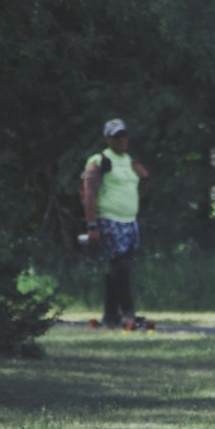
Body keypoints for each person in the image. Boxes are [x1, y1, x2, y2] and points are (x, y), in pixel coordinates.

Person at [82, 118, 150, 328]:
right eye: (117, 136)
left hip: (129, 221)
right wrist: (92, 225)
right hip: (109, 220)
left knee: (120, 266)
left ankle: (110, 315)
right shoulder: (100, 160)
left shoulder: (129, 160)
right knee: (120, 265)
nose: (122, 140)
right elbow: (89, 193)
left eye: (124, 135)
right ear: (107, 139)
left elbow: (145, 177)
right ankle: (127, 312)